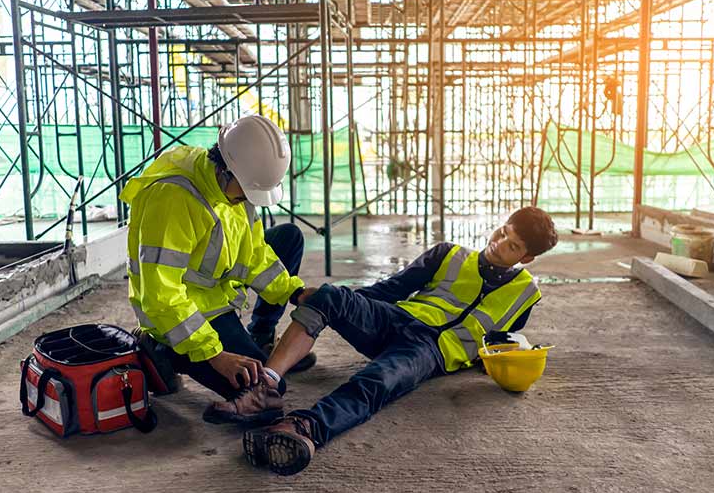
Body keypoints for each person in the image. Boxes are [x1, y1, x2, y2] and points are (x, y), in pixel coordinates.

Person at [207, 206, 559, 475]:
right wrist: (344, 303)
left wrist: (506, 362)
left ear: (526, 258)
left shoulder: (526, 293)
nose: (498, 243)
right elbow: (389, 290)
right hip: (397, 321)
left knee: (377, 382)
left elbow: (500, 337)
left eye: (511, 245)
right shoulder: (448, 255)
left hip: (429, 353)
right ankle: (266, 386)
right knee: (330, 296)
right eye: (502, 231)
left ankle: (303, 428)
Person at [120, 114, 315, 424]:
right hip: (179, 315)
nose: (246, 202)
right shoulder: (173, 199)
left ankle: (259, 335)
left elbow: (253, 254)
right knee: (262, 391)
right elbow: (160, 295)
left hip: (217, 299)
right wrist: (214, 354)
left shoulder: (235, 186)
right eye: (245, 192)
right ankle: (162, 349)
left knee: (288, 237)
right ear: (225, 170)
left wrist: (294, 292)